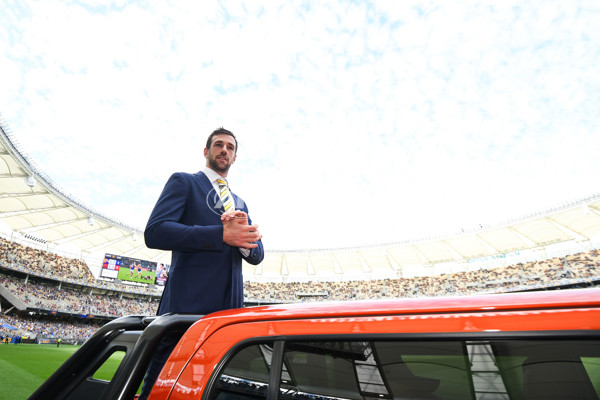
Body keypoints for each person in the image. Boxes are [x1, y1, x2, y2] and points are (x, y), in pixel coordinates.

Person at [139, 127, 264, 399]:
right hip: (186, 310)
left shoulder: (240, 202)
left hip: (226, 316)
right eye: (219, 145)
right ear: (206, 151)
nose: (224, 151)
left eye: (230, 148)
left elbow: (257, 255)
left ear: (234, 157)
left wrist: (246, 240)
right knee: (161, 386)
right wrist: (220, 234)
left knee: (206, 390)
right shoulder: (184, 182)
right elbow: (156, 231)